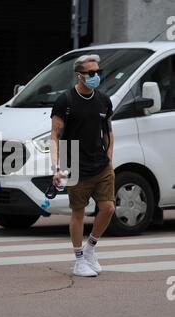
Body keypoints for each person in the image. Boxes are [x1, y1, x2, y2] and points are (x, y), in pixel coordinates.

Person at [50, 54, 115, 277]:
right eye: (92, 73)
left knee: (108, 208)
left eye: (99, 72)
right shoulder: (65, 101)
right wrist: (55, 168)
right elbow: (54, 136)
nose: (96, 76)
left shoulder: (104, 100)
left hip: (101, 163)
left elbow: (108, 130)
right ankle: (79, 261)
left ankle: (89, 249)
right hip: (73, 160)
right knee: (78, 212)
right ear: (79, 75)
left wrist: (109, 154)